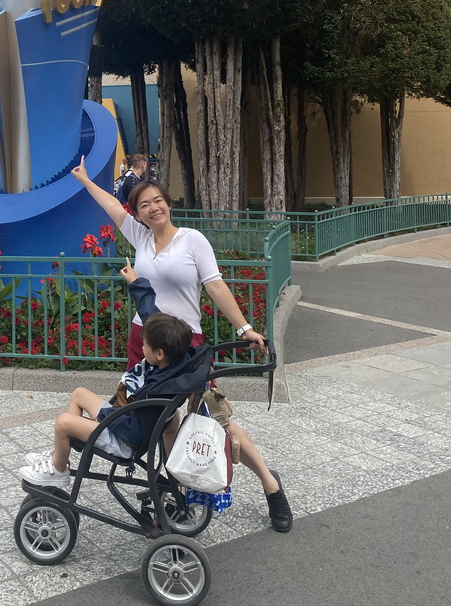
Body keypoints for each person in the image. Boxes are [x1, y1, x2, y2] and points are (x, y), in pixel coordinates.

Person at [70, 157, 293, 533]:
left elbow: (216, 286)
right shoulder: (139, 237)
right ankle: (174, 492)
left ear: (168, 203)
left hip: (186, 346)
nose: (153, 208)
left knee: (214, 423)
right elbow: (111, 205)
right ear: (138, 214)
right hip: (144, 342)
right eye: (144, 204)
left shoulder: (192, 240)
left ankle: (271, 485)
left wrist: (244, 329)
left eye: (158, 200)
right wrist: (84, 180)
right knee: (161, 421)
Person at [19, 284, 200, 489]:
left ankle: (58, 469)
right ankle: (58, 453)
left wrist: (106, 416)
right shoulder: (175, 364)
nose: (142, 347)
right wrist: (137, 283)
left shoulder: (154, 387)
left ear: (159, 353)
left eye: (145, 345)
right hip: (124, 421)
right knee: (79, 393)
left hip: (124, 440)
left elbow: (133, 424)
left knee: (63, 423)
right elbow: (152, 317)